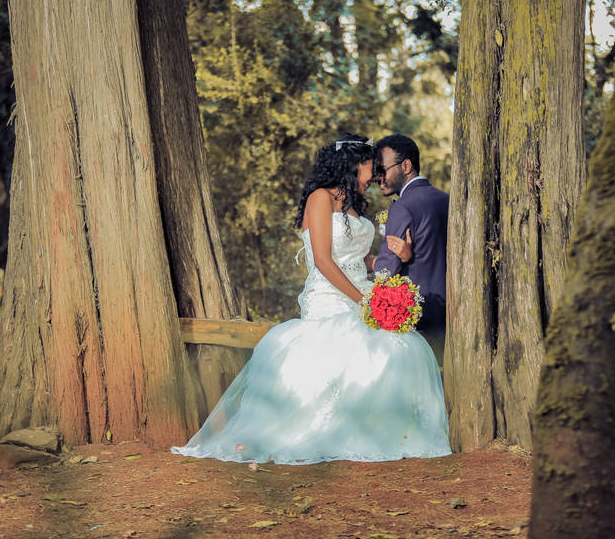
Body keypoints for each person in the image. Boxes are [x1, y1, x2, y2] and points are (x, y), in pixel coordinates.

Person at [171, 133, 451, 464]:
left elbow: (357, 259)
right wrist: (363, 300)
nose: (374, 176)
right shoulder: (319, 198)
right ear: (352, 164)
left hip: (359, 291)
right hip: (330, 298)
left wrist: (396, 257)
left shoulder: (355, 206)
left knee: (401, 349)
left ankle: (376, 430)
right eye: (369, 167)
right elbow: (323, 260)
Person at [371, 134, 449, 365]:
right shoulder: (446, 200)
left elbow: (384, 273)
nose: (378, 178)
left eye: (382, 169)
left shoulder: (403, 207)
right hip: (452, 309)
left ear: (406, 165)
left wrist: (369, 264)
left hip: (418, 315)